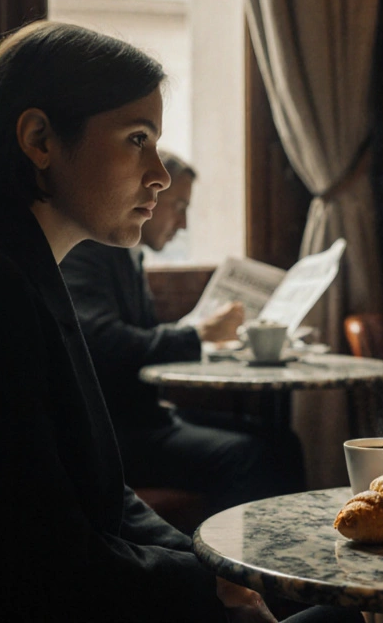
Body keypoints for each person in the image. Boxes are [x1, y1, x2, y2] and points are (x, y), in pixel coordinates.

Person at [0, 21, 358, 623]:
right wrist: (204, 590)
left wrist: (216, 574)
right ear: (39, 140)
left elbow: (102, 502)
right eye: (137, 139)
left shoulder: (5, 265)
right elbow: (38, 567)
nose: (160, 174)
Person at [61, 151, 304, 513]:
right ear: (145, 196)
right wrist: (198, 334)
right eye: (179, 207)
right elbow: (103, 343)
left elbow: (131, 337)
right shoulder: (89, 250)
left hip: (147, 417)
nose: (184, 224)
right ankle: (229, 551)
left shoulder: (128, 253)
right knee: (252, 456)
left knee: (283, 441)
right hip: (116, 433)